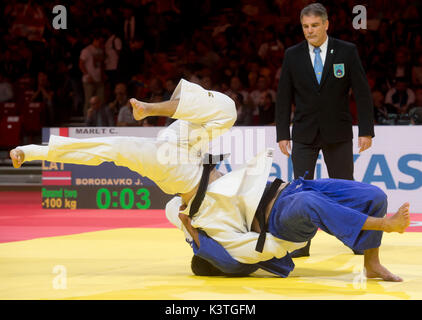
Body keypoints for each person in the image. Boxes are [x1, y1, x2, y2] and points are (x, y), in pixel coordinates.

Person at [9, 79, 409, 282]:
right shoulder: (213, 228)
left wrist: (187, 226)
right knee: (119, 148)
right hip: (211, 184)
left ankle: (155, 107)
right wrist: (34, 151)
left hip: (229, 172)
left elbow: (203, 246)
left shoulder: (195, 216)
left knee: (228, 111)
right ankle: (380, 226)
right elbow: (229, 257)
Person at [275, 3, 375, 257]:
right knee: (302, 191)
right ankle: (300, 244)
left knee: (345, 188)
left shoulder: (346, 51)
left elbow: (362, 93)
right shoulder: (292, 55)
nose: (310, 31)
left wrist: (366, 130)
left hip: (337, 131)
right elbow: (284, 97)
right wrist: (282, 134)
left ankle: (357, 240)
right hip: (304, 133)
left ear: (326, 24)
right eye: (305, 27)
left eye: (315, 25)